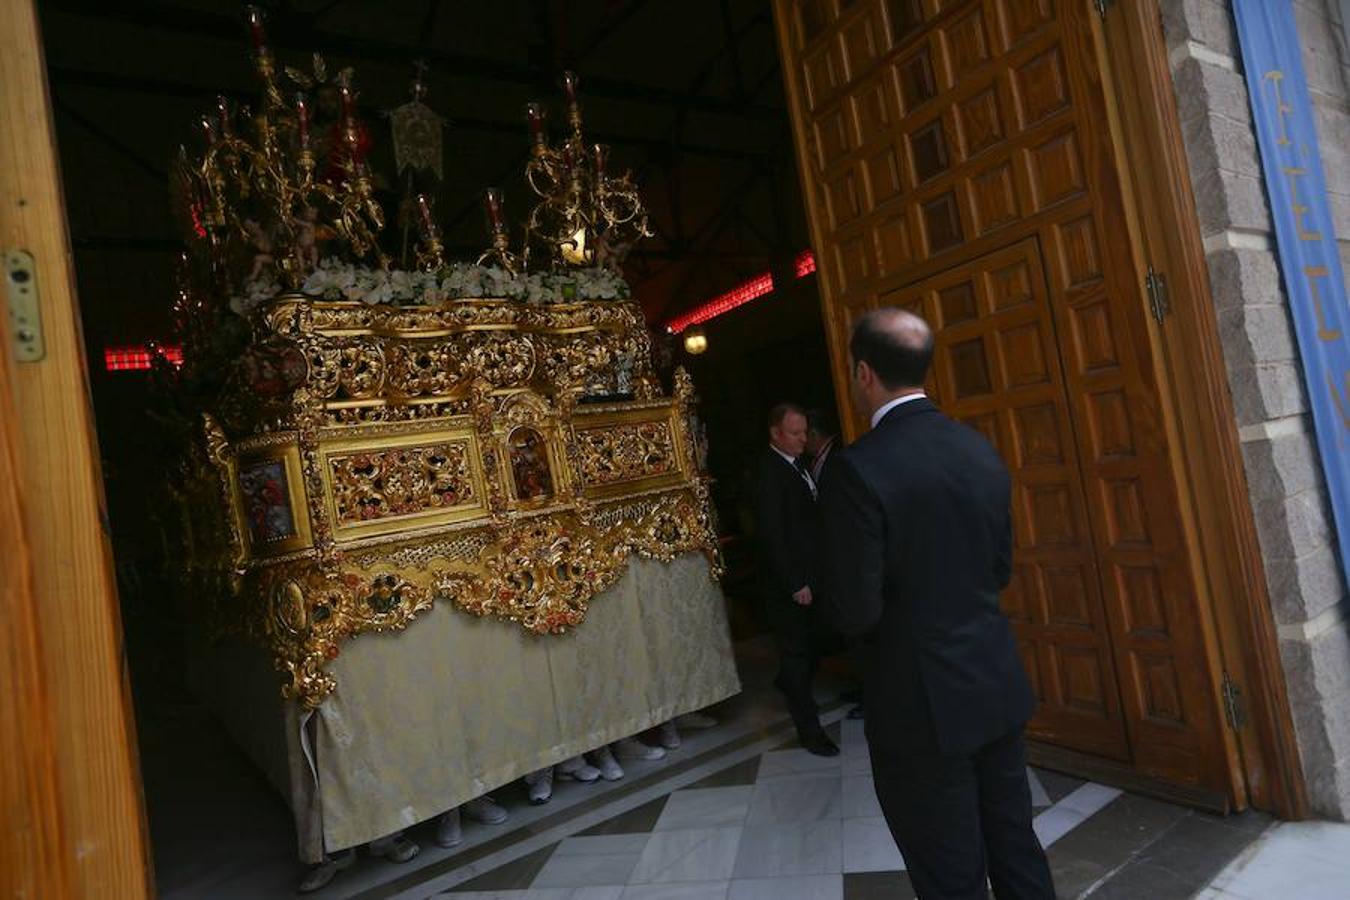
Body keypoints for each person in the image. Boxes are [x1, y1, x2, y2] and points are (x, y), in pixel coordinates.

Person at [818, 308, 1054, 900]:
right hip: (994, 682)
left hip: (920, 706)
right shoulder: (977, 449)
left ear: (863, 373)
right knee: (1015, 846)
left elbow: (856, 611)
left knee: (949, 872)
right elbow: (999, 568)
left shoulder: (857, 468)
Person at [752, 402, 838, 757]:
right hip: (791, 586)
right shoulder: (768, 473)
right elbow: (772, 535)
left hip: (813, 577)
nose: (804, 439)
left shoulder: (796, 464)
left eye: (805, 432)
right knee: (797, 654)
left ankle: (790, 685)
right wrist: (795, 583)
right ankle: (809, 729)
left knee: (813, 646)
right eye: (796, 433)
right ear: (775, 433)